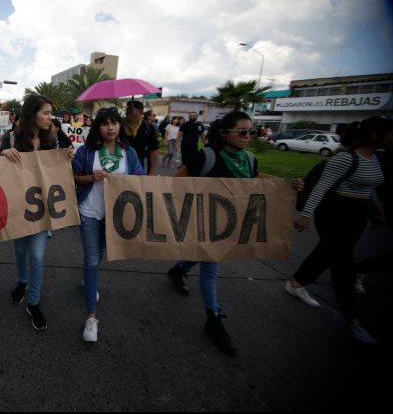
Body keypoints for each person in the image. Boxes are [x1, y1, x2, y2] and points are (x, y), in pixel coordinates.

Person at [286, 116, 393, 345]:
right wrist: (305, 216)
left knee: (327, 252)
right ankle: (352, 320)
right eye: (391, 133)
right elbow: (320, 189)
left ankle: (296, 283)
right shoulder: (345, 159)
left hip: (358, 214)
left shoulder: (375, 159)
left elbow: (369, 187)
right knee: (342, 263)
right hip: (335, 212)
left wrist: (377, 209)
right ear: (375, 135)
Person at [165, 111, 261, 356]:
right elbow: (177, 182)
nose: (247, 136)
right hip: (202, 222)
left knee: (203, 255)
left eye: (251, 132)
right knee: (211, 267)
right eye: (242, 132)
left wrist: (289, 188)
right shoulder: (206, 156)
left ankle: (179, 270)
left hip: (230, 226)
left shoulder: (250, 160)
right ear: (224, 133)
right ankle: (213, 318)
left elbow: (258, 190)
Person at [0, 94, 74, 331]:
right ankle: (21, 281)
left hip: (43, 208)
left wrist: (68, 157)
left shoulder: (53, 137)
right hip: (18, 206)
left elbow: (63, 163)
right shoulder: (11, 137)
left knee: (38, 256)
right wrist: (3, 155)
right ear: (32, 114)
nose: (49, 117)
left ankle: (34, 301)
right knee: (20, 250)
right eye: (45, 112)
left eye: (50, 113)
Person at [72, 107, 145, 342]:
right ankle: (91, 318)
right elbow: (72, 176)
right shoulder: (86, 151)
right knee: (92, 258)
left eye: (115, 123)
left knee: (100, 253)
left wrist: (126, 180)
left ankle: (87, 278)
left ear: (120, 126)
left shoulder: (129, 152)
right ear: (98, 127)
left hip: (116, 214)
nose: (111, 127)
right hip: (89, 211)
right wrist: (91, 177)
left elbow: (140, 177)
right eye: (105, 123)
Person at [123, 100, 159, 175]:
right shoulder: (119, 125)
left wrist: (151, 171)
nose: (128, 112)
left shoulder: (148, 127)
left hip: (137, 168)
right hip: (118, 168)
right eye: (127, 109)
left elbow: (153, 150)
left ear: (141, 111)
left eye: (131, 110)